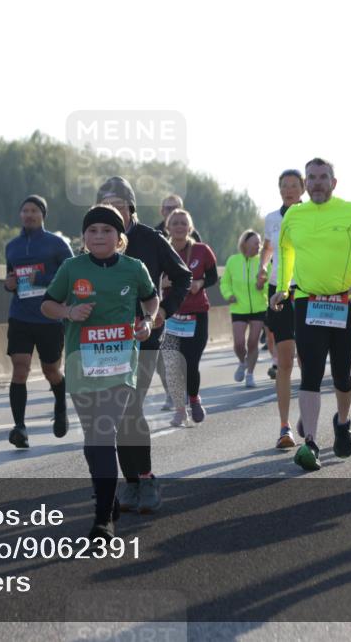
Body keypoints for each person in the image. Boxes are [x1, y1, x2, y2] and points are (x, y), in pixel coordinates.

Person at [41, 204, 158, 539]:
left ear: (120, 238)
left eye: (107, 231)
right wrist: (68, 311)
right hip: (81, 362)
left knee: (104, 433)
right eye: (92, 231)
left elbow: (151, 300)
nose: (99, 236)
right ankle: (107, 499)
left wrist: (147, 322)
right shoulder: (71, 268)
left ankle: (102, 519)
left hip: (121, 363)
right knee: (94, 438)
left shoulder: (134, 269)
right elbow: (46, 305)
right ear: (84, 237)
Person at [270, 158, 351, 471]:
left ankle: (342, 423)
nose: (316, 183)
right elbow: (285, 250)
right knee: (311, 371)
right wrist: (284, 288)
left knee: (342, 373)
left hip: (345, 302)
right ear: (305, 184)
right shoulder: (294, 216)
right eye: (311, 178)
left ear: (334, 182)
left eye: (322, 177)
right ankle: (310, 442)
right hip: (308, 301)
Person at [97, 176, 190, 514]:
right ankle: (132, 484)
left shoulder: (150, 239)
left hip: (144, 336)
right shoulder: (97, 242)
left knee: (130, 407)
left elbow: (183, 276)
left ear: (131, 208)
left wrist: (164, 310)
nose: (112, 214)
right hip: (106, 341)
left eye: (118, 206)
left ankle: (147, 478)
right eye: (105, 207)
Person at [3, 195, 73, 448]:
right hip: (20, 315)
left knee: (50, 371)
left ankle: (60, 405)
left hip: (49, 316)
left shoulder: (56, 244)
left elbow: (71, 275)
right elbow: (10, 279)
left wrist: (43, 278)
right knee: (20, 368)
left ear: (43, 215)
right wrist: (8, 284)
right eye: (25, 211)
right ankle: (19, 427)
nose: (29, 215)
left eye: (34, 211)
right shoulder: (12, 246)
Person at [159, 208, 217, 426]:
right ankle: (180, 410)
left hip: (196, 315)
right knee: (172, 365)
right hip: (170, 314)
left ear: (190, 227)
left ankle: (193, 399)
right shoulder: (162, 250)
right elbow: (149, 277)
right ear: (168, 227)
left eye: (184, 223)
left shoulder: (202, 251)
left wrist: (200, 283)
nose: (179, 227)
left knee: (191, 363)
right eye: (175, 223)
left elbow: (212, 277)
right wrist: (161, 283)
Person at [259, 169, 305, 447]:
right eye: (284, 186)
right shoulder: (272, 219)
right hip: (280, 291)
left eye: (293, 186)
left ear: (303, 188)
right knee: (285, 361)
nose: (289, 190)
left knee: (308, 361)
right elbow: (268, 247)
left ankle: (307, 417)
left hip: (309, 290)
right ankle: (284, 426)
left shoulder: (312, 215)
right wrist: (263, 266)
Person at [220, 231, 268, 389]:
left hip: (258, 307)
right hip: (239, 307)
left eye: (260, 243)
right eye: (256, 243)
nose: (259, 246)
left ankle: (250, 375)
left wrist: (262, 286)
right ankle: (242, 362)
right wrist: (229, 295)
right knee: (239, 344)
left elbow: (270, 284)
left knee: (253, 342)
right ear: (245, 244)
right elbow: (225, 282)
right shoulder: (233, 261)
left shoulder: (263, 262)